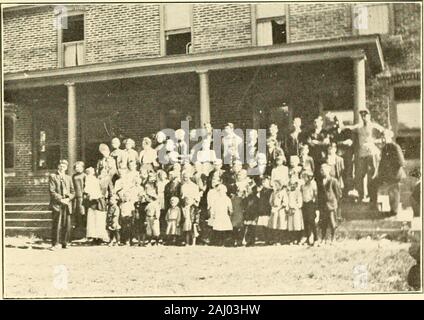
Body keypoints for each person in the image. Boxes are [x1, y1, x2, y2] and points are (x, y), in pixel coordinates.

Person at [342, 108, 384, 204]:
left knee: (372, 175)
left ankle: (372, 197)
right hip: (362, 154)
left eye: (365, 115)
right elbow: (350, 128)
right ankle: (361, 195)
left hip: (371, 153)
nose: (364, 117)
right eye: (362, 116)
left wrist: (375, 141)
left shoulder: (374, 126)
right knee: (359, 175)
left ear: (369, 116)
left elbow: (386, 134)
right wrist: (342, 125)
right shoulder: (359, 127)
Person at [376, 129, 406, 216]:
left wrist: (391, 171)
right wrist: (381, 172)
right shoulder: (385, 148)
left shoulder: (395, 147)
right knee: (389, 192)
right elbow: (382, 162)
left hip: (395, 175)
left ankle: (394, 211)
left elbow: (401, 162)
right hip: (387, 175)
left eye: (385, 136)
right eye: (382, 137)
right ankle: (391, 210)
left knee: (394, 192)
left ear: (389, 137)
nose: (383, 139)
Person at [49, 160, 75, 250]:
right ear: (58, 166)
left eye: (64, 166)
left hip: (67, 204)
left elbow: (73, 192)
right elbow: (52, 191)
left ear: (66, 168)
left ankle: (65, 243)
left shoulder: (69, 178)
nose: (62, 167)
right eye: (61, 165)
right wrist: (61, 199)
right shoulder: (53, 177)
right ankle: (55, 244)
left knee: (66, 224)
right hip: (57, 204)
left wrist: (69, 198)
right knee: (57, 224)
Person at [317, 164, 342, 244]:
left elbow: (338, 193)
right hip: (323, 204)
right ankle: (323, 238)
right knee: (323, 222)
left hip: (331, 205)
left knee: (332, 222)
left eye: (323, 170)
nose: (322, 172)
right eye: (321, 170)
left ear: (328, 171)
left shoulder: (333, 180)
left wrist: (335, 202)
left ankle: (333, 238)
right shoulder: (320, 181)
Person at [84, 167, 108, 244]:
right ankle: (94, 237)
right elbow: (87, 190)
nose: (103, 173)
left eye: (105, 172)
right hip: (93, 202)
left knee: (100, 219)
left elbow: (110, 191)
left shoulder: (107, 181)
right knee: (92, 219)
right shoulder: (93, 180)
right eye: (102, 172)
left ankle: (101, 237)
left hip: (101, 201)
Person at [300, 170, 319, 246]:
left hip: (311, 204)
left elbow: (315, 194)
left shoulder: (313, 184)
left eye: (305, 177)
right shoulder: (303, 186)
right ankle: (308, 238)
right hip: (304, 204)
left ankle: (316, 239)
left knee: (311, 221)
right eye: (303, 177)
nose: (304, 178)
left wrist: (315, 204)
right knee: (306, 221)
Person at [268, 180, 289, 245]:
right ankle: (275, 239)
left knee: (281, 225)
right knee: (274, 225)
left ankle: (281, 240)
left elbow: (285, 202)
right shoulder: (273, 193)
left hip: (281, 210)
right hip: (275, 210)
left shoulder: (283, 192)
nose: (275, 186)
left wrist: (279, 207)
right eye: (275, 185)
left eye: (277, 185)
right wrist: (273, 206)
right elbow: (270, 201)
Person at [286, 170, 304, 244]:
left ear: (296, 185)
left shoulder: (298, 192)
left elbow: (299, 202)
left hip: (296, 210)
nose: (292, 186)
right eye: (290, 184)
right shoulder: (289, 192)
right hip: (290, 210)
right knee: (291, 225)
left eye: (293, 184)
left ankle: (298, 238)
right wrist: (288, 206)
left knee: (297, 224)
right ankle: (292, 239)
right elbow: (287, 200)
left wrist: (295, 207)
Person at [72, 161, 86, 236]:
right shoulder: (74, 176)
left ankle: (83, 229)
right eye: (76, 167)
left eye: (79, 167)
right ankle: (77, 229)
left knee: (82, 212)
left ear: (82, 168)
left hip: (82, 196)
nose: (77, 169)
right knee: (76, 212)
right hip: (75, 196)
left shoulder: (84, 175)